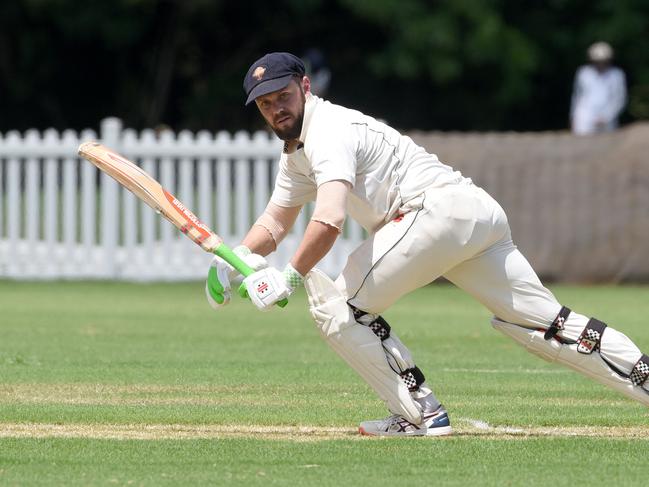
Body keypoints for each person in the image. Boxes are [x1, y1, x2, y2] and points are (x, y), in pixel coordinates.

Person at [205, 52, 649, 437]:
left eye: (283, 96)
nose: (276, 108)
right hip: (473, 214)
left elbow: (330, 219)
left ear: (305, 86)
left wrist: (290, 277)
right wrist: (239, 260)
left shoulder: (327, 131)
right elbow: (275, 221)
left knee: (338, 305)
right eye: (266, 104)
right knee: (543, 324)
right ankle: (644, 376)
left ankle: (420, 414)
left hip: (429, 214)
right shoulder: (297, 151)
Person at [570, 41, 627, 135]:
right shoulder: (584, 73)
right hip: (585, 117)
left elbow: (619, 99)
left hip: (608, 120)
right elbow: (577, 97)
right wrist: (573, 117)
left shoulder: (616, 75)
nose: (600, 64)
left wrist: (607, 116)